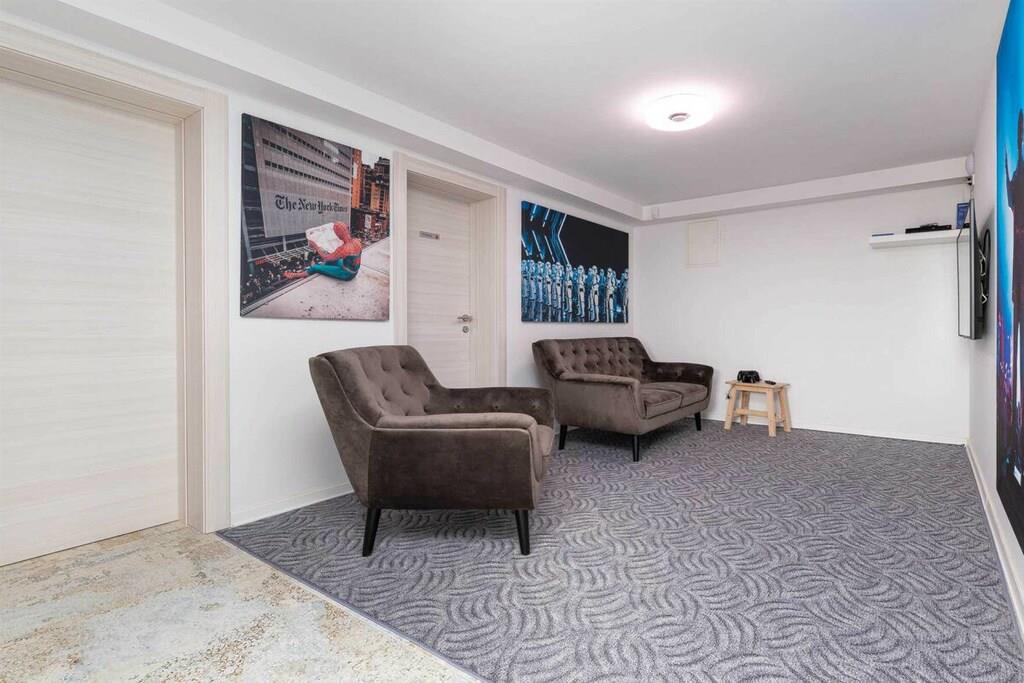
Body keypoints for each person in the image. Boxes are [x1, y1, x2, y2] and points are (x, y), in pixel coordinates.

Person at [285, 221, 363, 281]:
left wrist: (315, 246)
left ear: (338, 235)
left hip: (347, 274)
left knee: (315, 268)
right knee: (332, 261)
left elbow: (326, 257)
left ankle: (296, 275)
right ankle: (322, 268)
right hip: (353, 271)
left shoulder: (344, 249)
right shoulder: (357, 241)